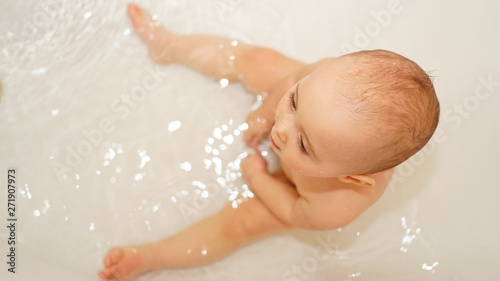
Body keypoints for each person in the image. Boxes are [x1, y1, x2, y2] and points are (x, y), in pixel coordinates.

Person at [99, 3, 440, 280]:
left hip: (291, 192)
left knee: (240, 224)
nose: (282, 129)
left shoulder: (337, 204)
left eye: (304, 145)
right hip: (311, 127)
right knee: (258, 61)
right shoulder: (320, 78)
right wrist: (267, 111)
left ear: (351, 178)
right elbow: (292, 79)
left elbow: (294, 210)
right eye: (294, 103)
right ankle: (169, 44)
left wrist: (258, 179)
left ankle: (150, 257)